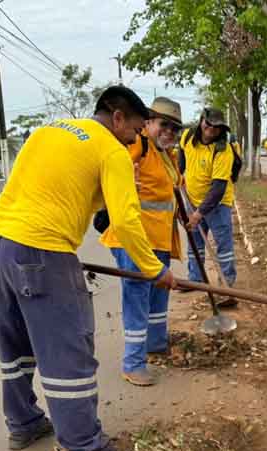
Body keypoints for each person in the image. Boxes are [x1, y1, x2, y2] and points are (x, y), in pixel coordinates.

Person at [0, 86, 175, 451]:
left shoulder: (50, 130)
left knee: (15, 340)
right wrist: (155, 270)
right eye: (135, 130)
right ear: (117, 117)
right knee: (68, 343)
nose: (135, 140)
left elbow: (68, 189)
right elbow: (126, 222)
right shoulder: (111, 149)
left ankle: (23, 422)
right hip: (41, 248)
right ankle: (86, 444)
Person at [100, 97, 184, 387]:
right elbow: (113, 164)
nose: (169, 132)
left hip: (160, 239)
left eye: (175, 128)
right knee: (137, 297)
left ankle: (156, 344)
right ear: (148, 123)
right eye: (164, 125)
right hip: (134, 239)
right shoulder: (138, 145)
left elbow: (171, 191)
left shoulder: (167, 155)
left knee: (159, 293)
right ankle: (133, 363)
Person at [179, 108, 238, 293]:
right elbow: (182, 155)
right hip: (191, 199)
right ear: (201, 121)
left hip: (218, 204)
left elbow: (218, 188)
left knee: (223, 245)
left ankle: (226, 285)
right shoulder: (188, 136)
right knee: (195, 243)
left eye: (216, 126)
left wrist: (199, 214)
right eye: (208, 123)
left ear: (222, 129)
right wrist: (179, 174)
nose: (211, 128)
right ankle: (195, 280)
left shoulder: (223, 150)